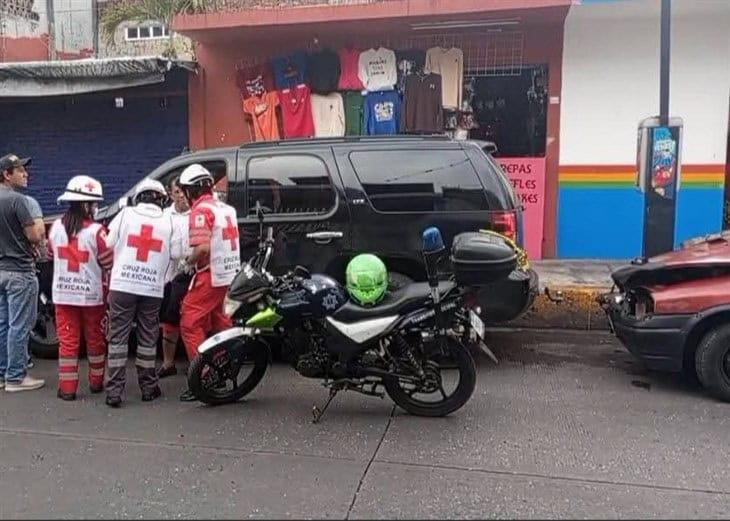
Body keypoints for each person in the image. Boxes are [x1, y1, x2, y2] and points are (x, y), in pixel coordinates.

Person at [103, 178, 183, 407]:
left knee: (117, 338)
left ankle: (114, 392)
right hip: (152, 288)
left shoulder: (125, 215)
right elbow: (177, 253)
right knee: (148, 337)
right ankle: (148, 387)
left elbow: (108, 243)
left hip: (122, 287)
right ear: (160, 198)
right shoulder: (169, 219)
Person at [178, 164, 241, 401]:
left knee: (190, 321)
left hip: (210, 274)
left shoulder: (200, 211)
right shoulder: (226, 208)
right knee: (221, 322)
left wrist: (187, 261)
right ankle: (226, 365)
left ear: (191, 191)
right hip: (229, 273)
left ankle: (204, 377)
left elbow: (203, 247)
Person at [47, 175, 109, 401]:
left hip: (63, 294)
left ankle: (67, 389)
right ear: (86, 205)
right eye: (94, 204)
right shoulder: (97, 231)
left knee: (67, 341)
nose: (95, 207)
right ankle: (96, 383)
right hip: (92, 295)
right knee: (95, 339)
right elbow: (108, 261)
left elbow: (50, 254)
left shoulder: (55, 227)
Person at [0, 153, 45, 392]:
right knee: (19, 325)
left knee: (3, 324)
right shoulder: (18, 201)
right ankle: (16, 377)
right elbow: (35, 235)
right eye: (19, 170)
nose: (25, 174)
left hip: (1, 270)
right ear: (7, 174)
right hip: (20, 271)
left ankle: (2, 374)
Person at [157, 176, 191, 378]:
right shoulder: (164, 216)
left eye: (184, 191)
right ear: (171, 194)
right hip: (169, 276)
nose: (182, 196)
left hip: (191, 274)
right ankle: (168, 363)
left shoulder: (197, 214)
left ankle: (194, 362)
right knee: (169, 320)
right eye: (177, 192)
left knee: (191, 320)